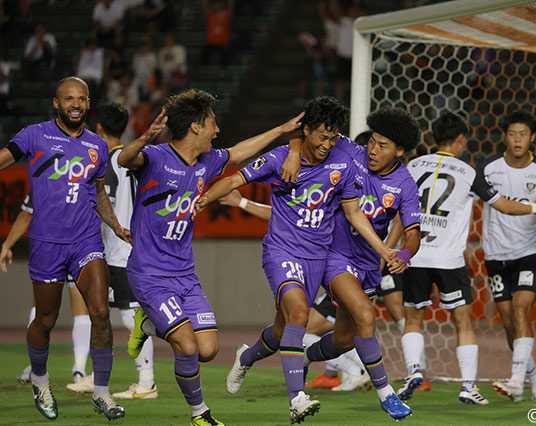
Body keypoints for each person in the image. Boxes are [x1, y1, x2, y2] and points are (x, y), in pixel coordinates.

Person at [196, 96, 399, 423]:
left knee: (282, 329)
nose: (327, 144)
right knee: (300, 314)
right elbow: (234, 180)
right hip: (282, 251)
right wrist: (200, 202)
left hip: (319, 257)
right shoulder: (280, 159)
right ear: (306, 131)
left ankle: (247, 356)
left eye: (333, 138)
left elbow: (352, 210)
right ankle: (297, 399)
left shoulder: (343, 160)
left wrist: (383, 248)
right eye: (322, 136)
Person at [119, 88, 305, 426]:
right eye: (212, 123)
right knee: (187, 347)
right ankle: (199, 413)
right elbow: (124, 160)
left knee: (208, 350)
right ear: (195, 127)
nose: (217, 130)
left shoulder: (207, 162)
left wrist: (281, 131)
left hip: (185, 275)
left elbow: (237, 153)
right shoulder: (157, 157)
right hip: (149, 274)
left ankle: (146, 323)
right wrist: (145, 137)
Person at [0, 76, 130, 420]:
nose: (76, 104)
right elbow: (4, 159)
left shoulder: (96, 146)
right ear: (56, 103)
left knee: (100, 313)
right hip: (47, 244)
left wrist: (115, 225)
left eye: (82, 99)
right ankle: (40, 381)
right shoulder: (34, 135)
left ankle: (101, 392)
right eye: (69, 99)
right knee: (45, 318)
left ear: (88, 103)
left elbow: (99, 193)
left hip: (86, 241)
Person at [398, 111, 536, 404]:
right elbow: (503, 205)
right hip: (449, 259)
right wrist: (535, 208)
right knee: (463, 320)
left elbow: (398, 208)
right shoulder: (468, 172)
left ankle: (414, 370)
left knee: (413, 318)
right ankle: (468, 386)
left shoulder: (413, 166)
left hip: (415, 255)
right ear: (460, 140)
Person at [295, 107, 421, 421]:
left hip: (368, 264)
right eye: (372, 142)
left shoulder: (405, 184)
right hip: (333, 254)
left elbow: (413, 235)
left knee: (344, 339)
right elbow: (309, 136)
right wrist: (294, 150)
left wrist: (404, 255)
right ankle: (387, 394)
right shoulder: (350, 152)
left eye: (383, 145)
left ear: (399, 151)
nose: (373, 150)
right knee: (366, 314)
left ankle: (303, 357)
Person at [218, 190, 369, 392]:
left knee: (341, 335)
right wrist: (242, 202)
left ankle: (352, 371)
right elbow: (280, 216)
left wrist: (385, 253)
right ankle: (301, 386)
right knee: (292, 324)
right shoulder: (317, 187)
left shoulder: (362, 190)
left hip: (341, 268)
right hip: (300, 260)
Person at [479, 111, 536, 402]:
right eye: (512, 134)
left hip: (528, 252)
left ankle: (516, 382)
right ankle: (535, 380)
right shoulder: (487, 169)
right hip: (495, 253)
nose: (517, 140)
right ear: (504, 137)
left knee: (521, 309)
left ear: (532, 137)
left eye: (523, 134)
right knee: (509, 323)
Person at [94, 101, 158, 399]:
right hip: (128, 245)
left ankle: (147, 381)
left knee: (131, 316)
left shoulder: (113, 160)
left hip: (123, 248)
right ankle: (96, 375)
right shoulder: (131, 158)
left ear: (98, 129)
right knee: (110, 313)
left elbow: (103, 202)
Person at [1, 194, 92, 389]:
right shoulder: (82, 180)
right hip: (76, 247)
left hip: (51, 249)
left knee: (43, 308)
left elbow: (26, 215)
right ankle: (78, 370)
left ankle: (40, 367)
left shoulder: (44, 180)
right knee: (78, 309)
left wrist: (7, 245)